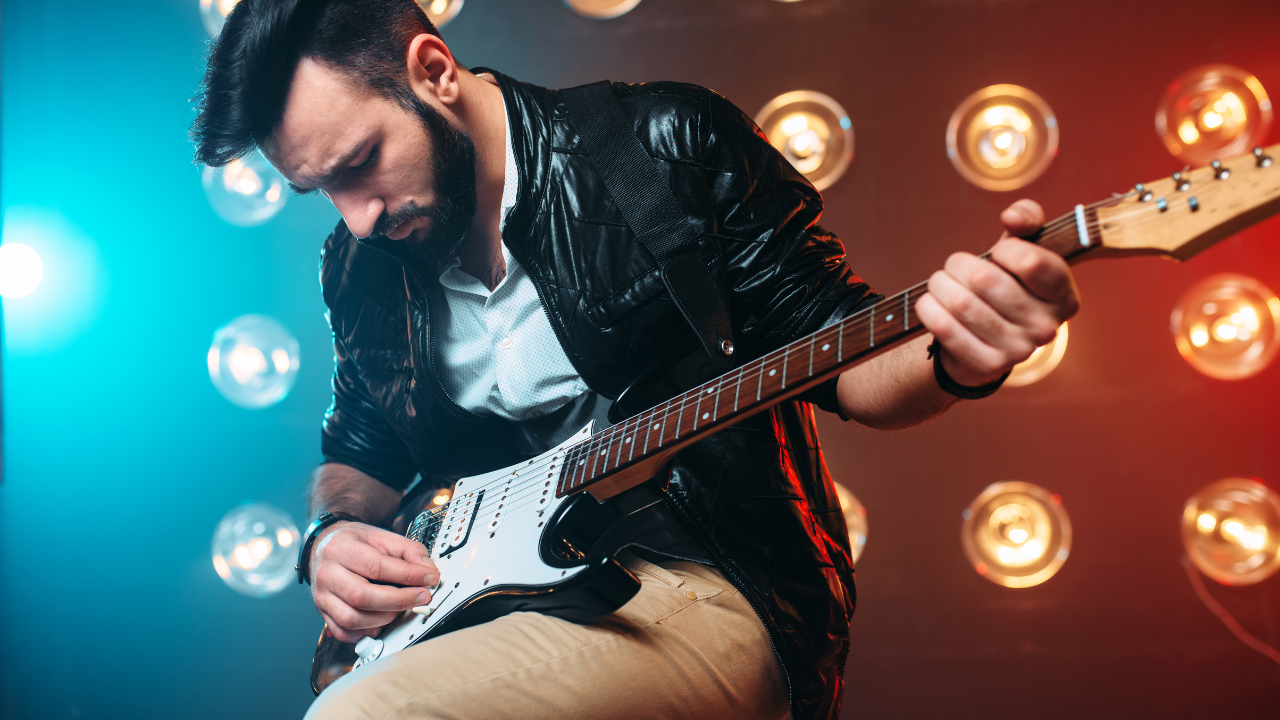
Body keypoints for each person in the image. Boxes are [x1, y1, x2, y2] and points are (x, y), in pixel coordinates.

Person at [191, 1, 1079, 718]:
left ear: (434, 71)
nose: (356, 218)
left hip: (707, 582)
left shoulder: (663, 147)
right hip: (479, 609)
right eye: (321, 192)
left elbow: (843, 354)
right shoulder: (360, 264)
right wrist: (330, 537)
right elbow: (362, 448)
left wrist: (958, 353)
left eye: (361, 164)